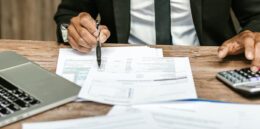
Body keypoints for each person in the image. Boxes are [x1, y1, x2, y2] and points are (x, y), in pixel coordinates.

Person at [54, 0, 260, 71]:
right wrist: (74, 32)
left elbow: (256, 15)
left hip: (210, 67)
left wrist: (252, 35)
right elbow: (67, 16)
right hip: (124, 72)